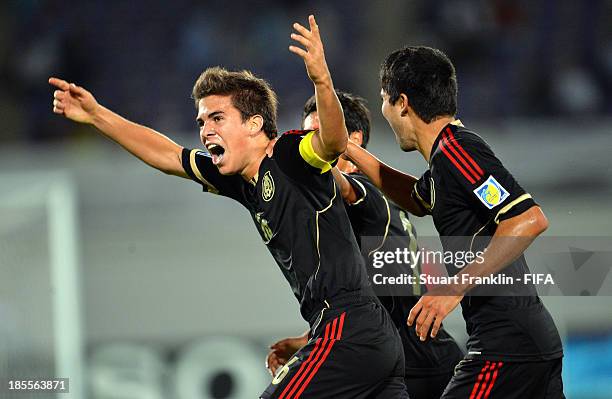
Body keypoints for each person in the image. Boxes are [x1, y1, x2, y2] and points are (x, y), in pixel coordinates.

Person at [50, 16, 407, 399]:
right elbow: (169, 155)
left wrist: (322, 80)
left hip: (347, 329)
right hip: (364, 338)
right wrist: (96, 115)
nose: (206, 130)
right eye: (202, 120)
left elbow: (332, 143)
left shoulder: (289, 154)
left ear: (254, 125)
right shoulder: (238, 178)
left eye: (217, 118)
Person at [345, 46, 564, 398]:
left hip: (505, 345)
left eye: (384, 100)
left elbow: (527, 219)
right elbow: (417, 199)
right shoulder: (445, 160)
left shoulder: (458, 151)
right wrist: (350, 149)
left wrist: (451, 288)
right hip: (525, 342)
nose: (384, 111)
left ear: (402, 102)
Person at [266, 91, 464, 399]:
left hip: (422, 364)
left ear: (353, 139)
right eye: (305, 136)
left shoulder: (364, 191)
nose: (310, 146)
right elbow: (368, 289)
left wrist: (280, 152)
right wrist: (310, 337)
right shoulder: (362, 203)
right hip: (400, 360)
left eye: (316, 135)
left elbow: (342, 186)